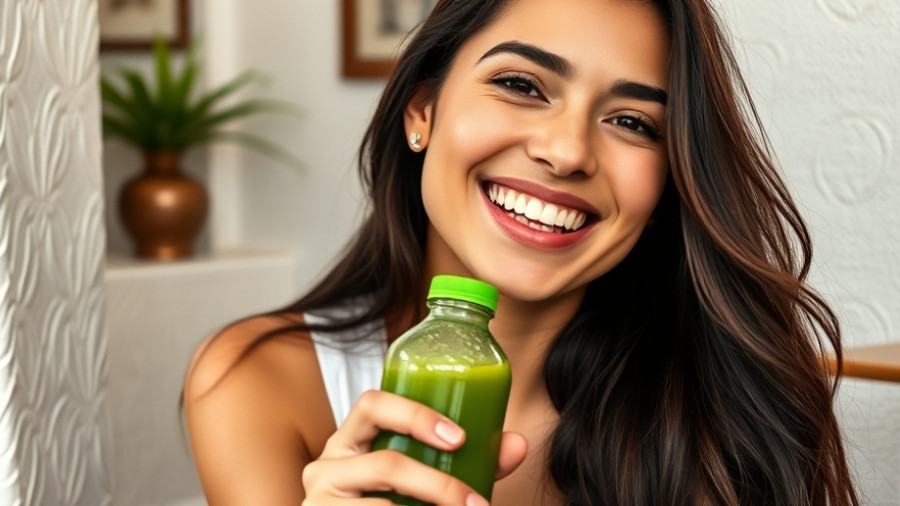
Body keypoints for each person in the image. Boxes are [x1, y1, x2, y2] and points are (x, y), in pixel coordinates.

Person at [183, 0, 860, 504]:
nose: (565, 152)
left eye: (631, 123)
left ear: (669, 184)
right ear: (422, 111)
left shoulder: (717, 415)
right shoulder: (261, 384)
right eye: (521, 85)